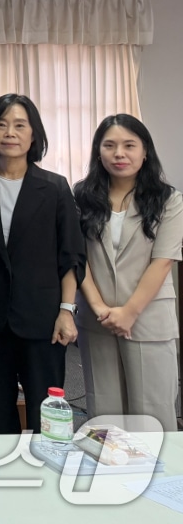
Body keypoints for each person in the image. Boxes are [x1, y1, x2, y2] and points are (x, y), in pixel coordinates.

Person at [0, 94, 85, 435]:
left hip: (42, 317)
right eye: (1, 125)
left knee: (46, 411)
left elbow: (71, 255)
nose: (10, 133)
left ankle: (47, 466)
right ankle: (2, 467)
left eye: (20, 125)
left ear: (34, 134)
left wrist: (66, 310)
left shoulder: (55, 187)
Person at [74, 114, 182, 431]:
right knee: (104, 411)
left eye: (129, 145)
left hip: (148, 317)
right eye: (109, 145)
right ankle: (109, 465)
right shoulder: (81, 198)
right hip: (98, 318)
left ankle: (159, 467)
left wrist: (129, 312)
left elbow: (163, 261)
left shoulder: (169, 200)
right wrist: (99, 307)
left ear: (145, 151)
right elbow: (78, 258)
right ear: (98, 152)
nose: (119, 153)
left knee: (153, 412)